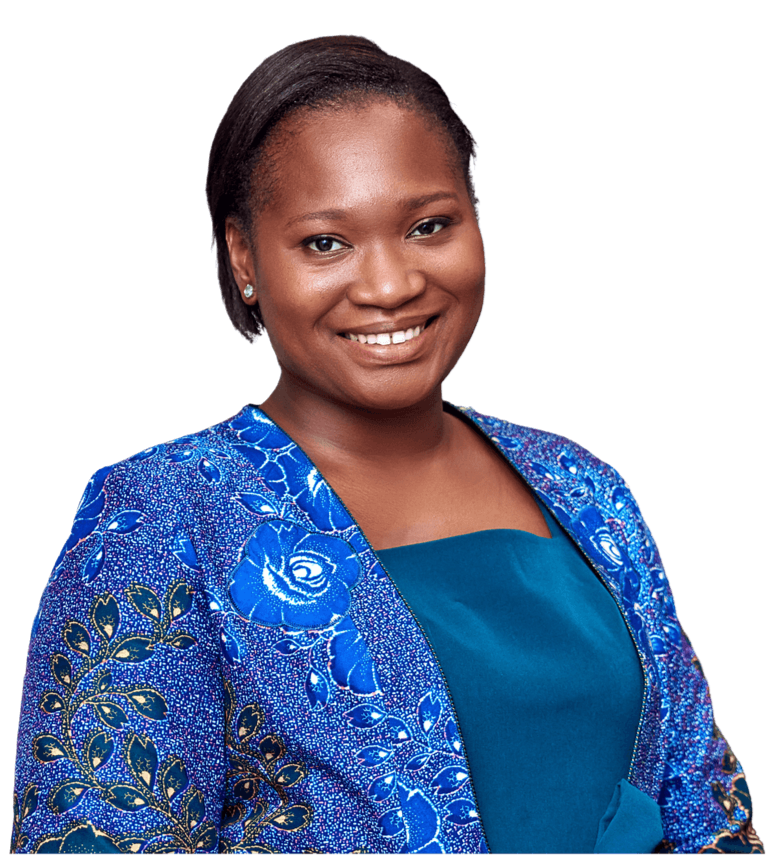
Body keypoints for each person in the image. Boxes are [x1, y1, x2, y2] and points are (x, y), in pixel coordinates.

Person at [11, 35, 763, 856]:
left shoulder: (583, 487)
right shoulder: (161, 516)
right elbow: (98, 834)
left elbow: (709, 808)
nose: (391, 284)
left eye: (428, 225)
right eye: (326, 242)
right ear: (244, 257)